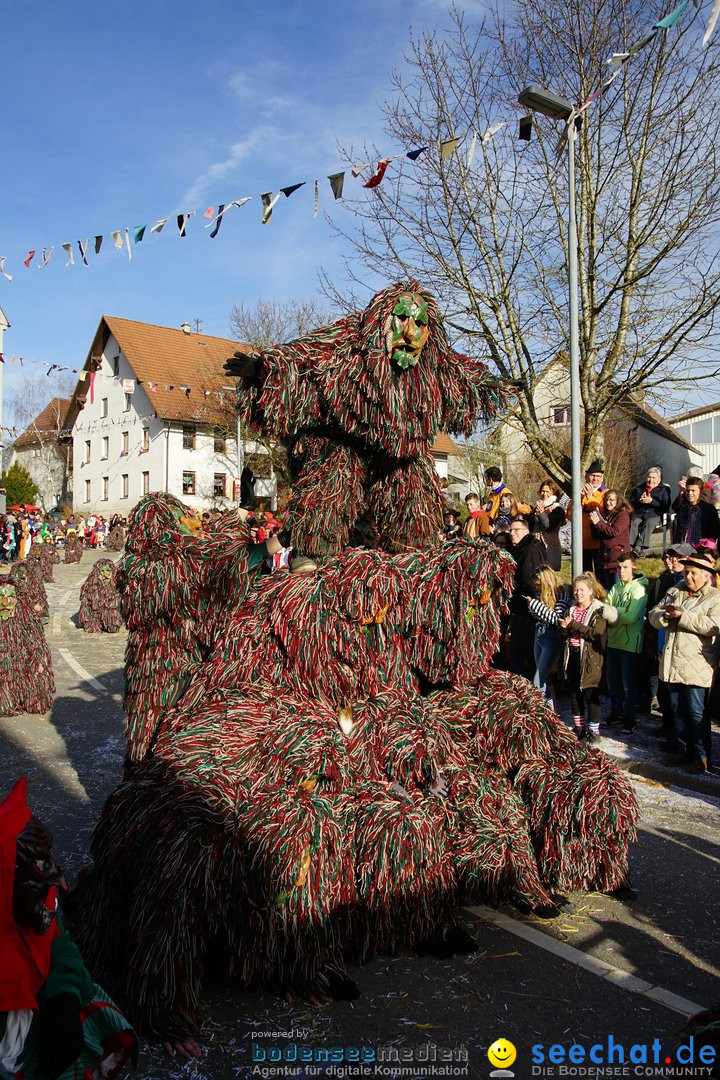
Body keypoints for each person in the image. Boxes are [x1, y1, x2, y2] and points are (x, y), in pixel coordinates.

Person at [0, 778, 138, 1077]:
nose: (56, 881)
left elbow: (59, 946)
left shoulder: (38, 904)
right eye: (40, 867)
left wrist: (64, 995)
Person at [648, 552, 720, 774]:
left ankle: (701, 756)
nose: (688, 576)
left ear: (707, 576)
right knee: (678, 708)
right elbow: (653, 614)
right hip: (673, 663)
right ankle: (682, 749)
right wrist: (665, 616)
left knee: (697, 712)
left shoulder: (714, 597)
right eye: (686, 572)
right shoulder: (675, 591)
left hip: (697, 665)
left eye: (693, 573)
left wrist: (683, 616)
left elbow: (714, 626)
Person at [647, 544, 694, 741]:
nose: (673, 561)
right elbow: (655, 610)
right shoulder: (668, 581)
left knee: (681, 701)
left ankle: (680, 738)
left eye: (678, 558)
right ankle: (668, 727)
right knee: (665, 692)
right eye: (671, 557)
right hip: (663, 641)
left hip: (682, 648)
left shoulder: (689, 586)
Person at [558, 573, 612, 742]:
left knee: (590, 693)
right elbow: (564, 634)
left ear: (591, 591)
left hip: (590, 658)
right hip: (572, 655)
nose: (578, 593)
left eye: (581, 590)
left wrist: (572, 625)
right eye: (575, 590)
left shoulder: (598, 611)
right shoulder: (571, 609)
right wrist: (564, 628)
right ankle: (579, 727)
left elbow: (595, 634)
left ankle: (594, 731)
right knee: (574, 694)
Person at [603, 552, 649, 732]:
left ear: (633, 568)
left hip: (630, 643)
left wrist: (615, 612)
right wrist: (618, 610)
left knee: (628, 685)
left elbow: (631, 617)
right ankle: (616, 713)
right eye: (619, 567)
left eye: (625, 567)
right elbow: (605, 609)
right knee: (612, 682)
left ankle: (629, 720)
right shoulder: (616, 587)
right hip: (613, 640)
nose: (621, 571)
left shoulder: (639, 589)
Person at [525, 565, 572, 708]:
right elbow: (537, 615)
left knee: (538, 680)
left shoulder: (561, 594)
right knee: (545, 678)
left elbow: (557, 619)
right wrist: (532, 606)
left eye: (539, 585)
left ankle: (540, 713)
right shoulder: (541, 594)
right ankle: (550, 711)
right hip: (539, 633)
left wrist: (534, 605)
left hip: (552, 637)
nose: (537, 589)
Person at [507, 517, 547, 679]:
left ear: (526, 531)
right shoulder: (520, 549)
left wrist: (530, 603)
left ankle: (528, 690)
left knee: (522, 654)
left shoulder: (529, 550)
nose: (512, 533)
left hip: (527, 610)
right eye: (511, 530)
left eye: (516, 530)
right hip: (522, 608)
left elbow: (529, 581)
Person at [566, 461, 607, 574]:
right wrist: (579, 497)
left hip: (599, 542)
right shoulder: (579, 494)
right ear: (586, 476)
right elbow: (569, 516)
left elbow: (603, 514)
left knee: (601, 577)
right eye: (592, 475)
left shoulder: (606, 493)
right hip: (581, 542)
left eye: (598, 476)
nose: (595, 479)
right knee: (584, 576)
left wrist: (589, 498)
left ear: (602, 478)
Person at [589, 489, 631, 590]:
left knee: (618, 591)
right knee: (606, 592)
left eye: (611, 500)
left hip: (618, 561)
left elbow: (614, 531)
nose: (608, 503)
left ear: (618, 501)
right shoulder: (604, 515)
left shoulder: (623, 514)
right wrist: (593, 524)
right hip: (605, 562)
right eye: (606, 500)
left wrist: (598, 523)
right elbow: (597, 536)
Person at [629, 466, 670, 555]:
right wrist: (639, 501)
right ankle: (630, 546)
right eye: (649, 477)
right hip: (640, 513)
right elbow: (631, 502)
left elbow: (666, 505)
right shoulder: (638, 488)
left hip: (655, 514)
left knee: (649, 522)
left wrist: (651, 501)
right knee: (633, 522)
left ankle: (639, 547)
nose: (651, 480)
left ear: (659, 479)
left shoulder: (664, 490)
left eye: (653, 478)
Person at [672, 476, 720, 546]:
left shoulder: (709, 509)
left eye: (693, 490)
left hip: (700, 548)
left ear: (700, 491)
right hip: (683, 548)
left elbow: (713, 534)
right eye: (688, 490)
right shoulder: (683, 509)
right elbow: (678, 533)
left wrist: (706, 548)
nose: (690, 493)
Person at [532, 480, 565, 571]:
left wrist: (542, 514)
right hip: (536, 544)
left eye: (547, 491)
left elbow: (549, 526)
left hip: (550, 547)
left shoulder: (557, 509)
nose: (544, 494)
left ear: (553, 492)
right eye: (543, 491)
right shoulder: (537, 507)